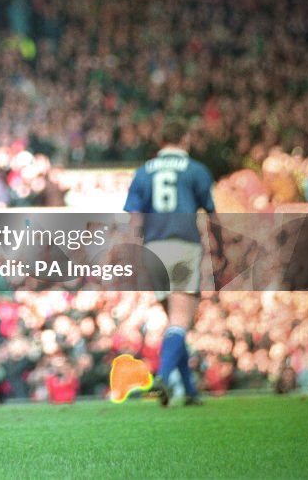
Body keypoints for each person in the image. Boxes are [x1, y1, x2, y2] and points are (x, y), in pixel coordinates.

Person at [124, 119, 222, 406]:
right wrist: (221, 248)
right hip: (183, 244)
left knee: (174, 321)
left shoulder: (143, 171)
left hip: (153, 248)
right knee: (181, 320)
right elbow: (212, 215)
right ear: (185, 139)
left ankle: (189, 391)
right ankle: (164, 377)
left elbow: (135, 219)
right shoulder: (195, 169)